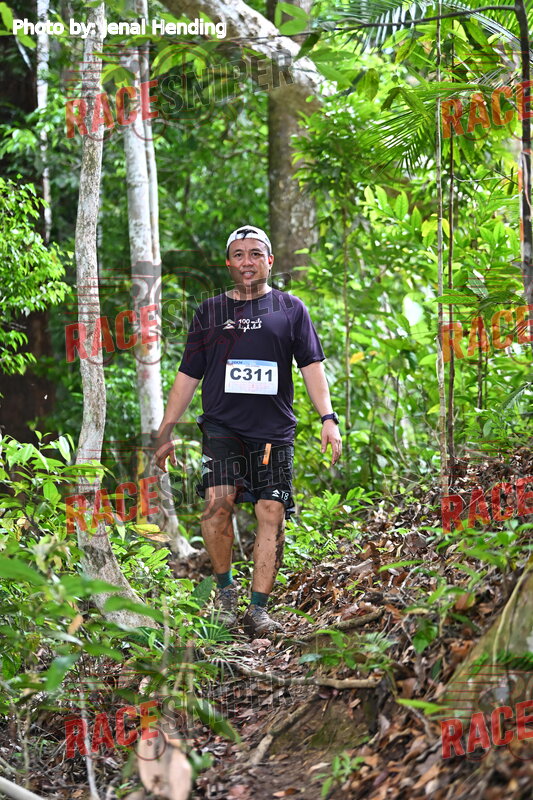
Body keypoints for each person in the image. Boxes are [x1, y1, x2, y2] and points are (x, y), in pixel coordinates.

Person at [154, 225, 342, 637]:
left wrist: (328, 418)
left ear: (269, 260)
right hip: (223, 426)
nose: (247, 262)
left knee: (271, 510)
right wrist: (166, 430)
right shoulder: (210, 312)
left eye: (256, 254)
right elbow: (188, 375)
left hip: (273, 430)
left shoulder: (291, 309)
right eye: (239, 254)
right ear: (228, 262)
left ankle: (258, 610)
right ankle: (225, 593)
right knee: (217, 506)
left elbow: (312, 368)